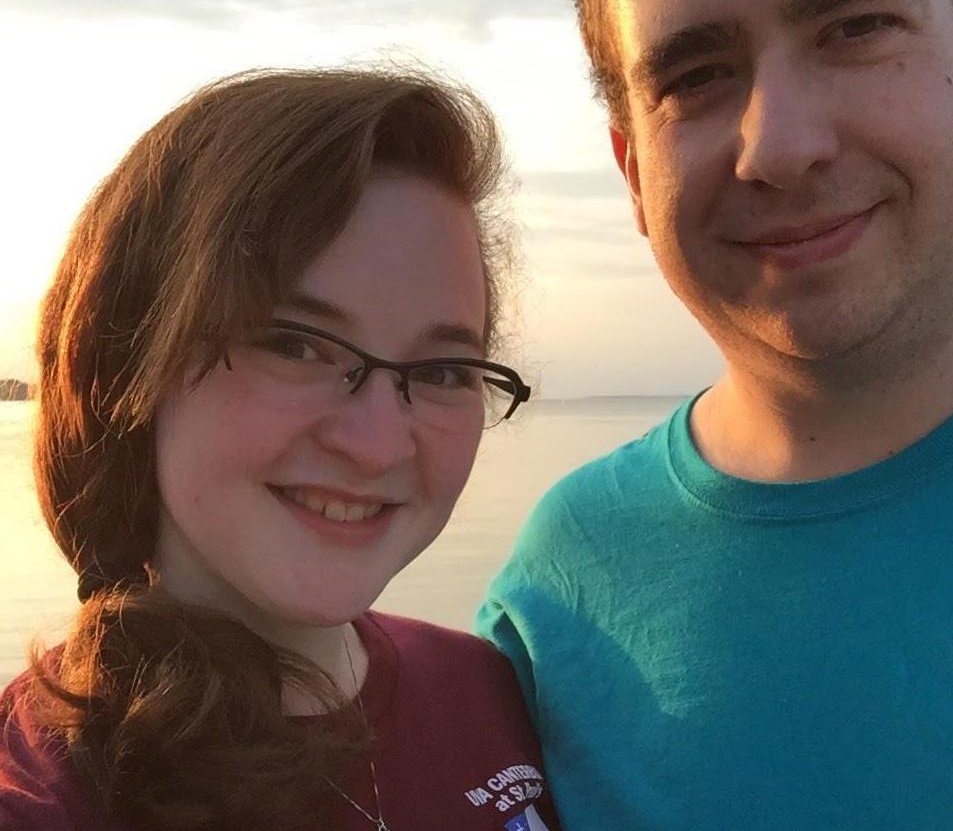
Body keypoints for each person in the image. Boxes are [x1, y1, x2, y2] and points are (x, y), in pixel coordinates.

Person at [477, 0, 953, 827]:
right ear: (633, 176)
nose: (778, 145)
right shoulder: (558, 590)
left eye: (856, 26)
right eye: (692, 77)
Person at [0, 67, 562, 831]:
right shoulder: (45, 795)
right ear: (125, 361)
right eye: (293, 345)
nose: (373, 445)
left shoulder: (484, 688)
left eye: (440, 370)